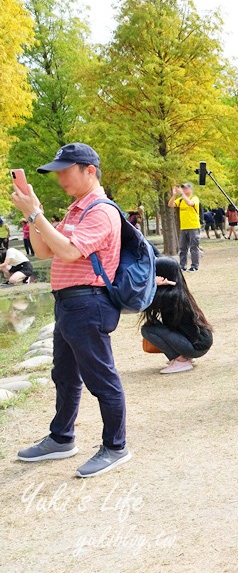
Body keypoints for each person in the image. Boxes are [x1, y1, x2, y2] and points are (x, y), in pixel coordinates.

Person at [11, 142, 132, 477]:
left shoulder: (102, 211)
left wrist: (36, 214)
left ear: (89, 170)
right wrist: (30, 213)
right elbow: (44, 250)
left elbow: (67, 251)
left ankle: (115, 446)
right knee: (63, 375)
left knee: (100, 377)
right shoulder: (76, 209)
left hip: (89, 302)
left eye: (66, 170)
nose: (60, 177)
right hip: (68, 303)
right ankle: (61, 437)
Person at [141, 257, 213, 374]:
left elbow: (141, 304)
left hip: (197, 346)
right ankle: (183, 357)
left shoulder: (171, 296)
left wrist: (152, 284)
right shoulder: (177, 291)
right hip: (200, 342)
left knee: (148, 330)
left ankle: (181, 360)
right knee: (152, 325)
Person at [169, 183, 201, 271]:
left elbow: (190, 204)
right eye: (183, 188)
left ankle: (194, 266)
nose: (184, 190)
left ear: (191, 190)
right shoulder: (180, 200)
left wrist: (182, 194)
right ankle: (182, 265)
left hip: (193, 227)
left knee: (194, 247)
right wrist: (174, 195)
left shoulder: (194, 198)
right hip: (183, 228)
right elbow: (171, 204)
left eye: (186, 188)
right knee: (183, 248)